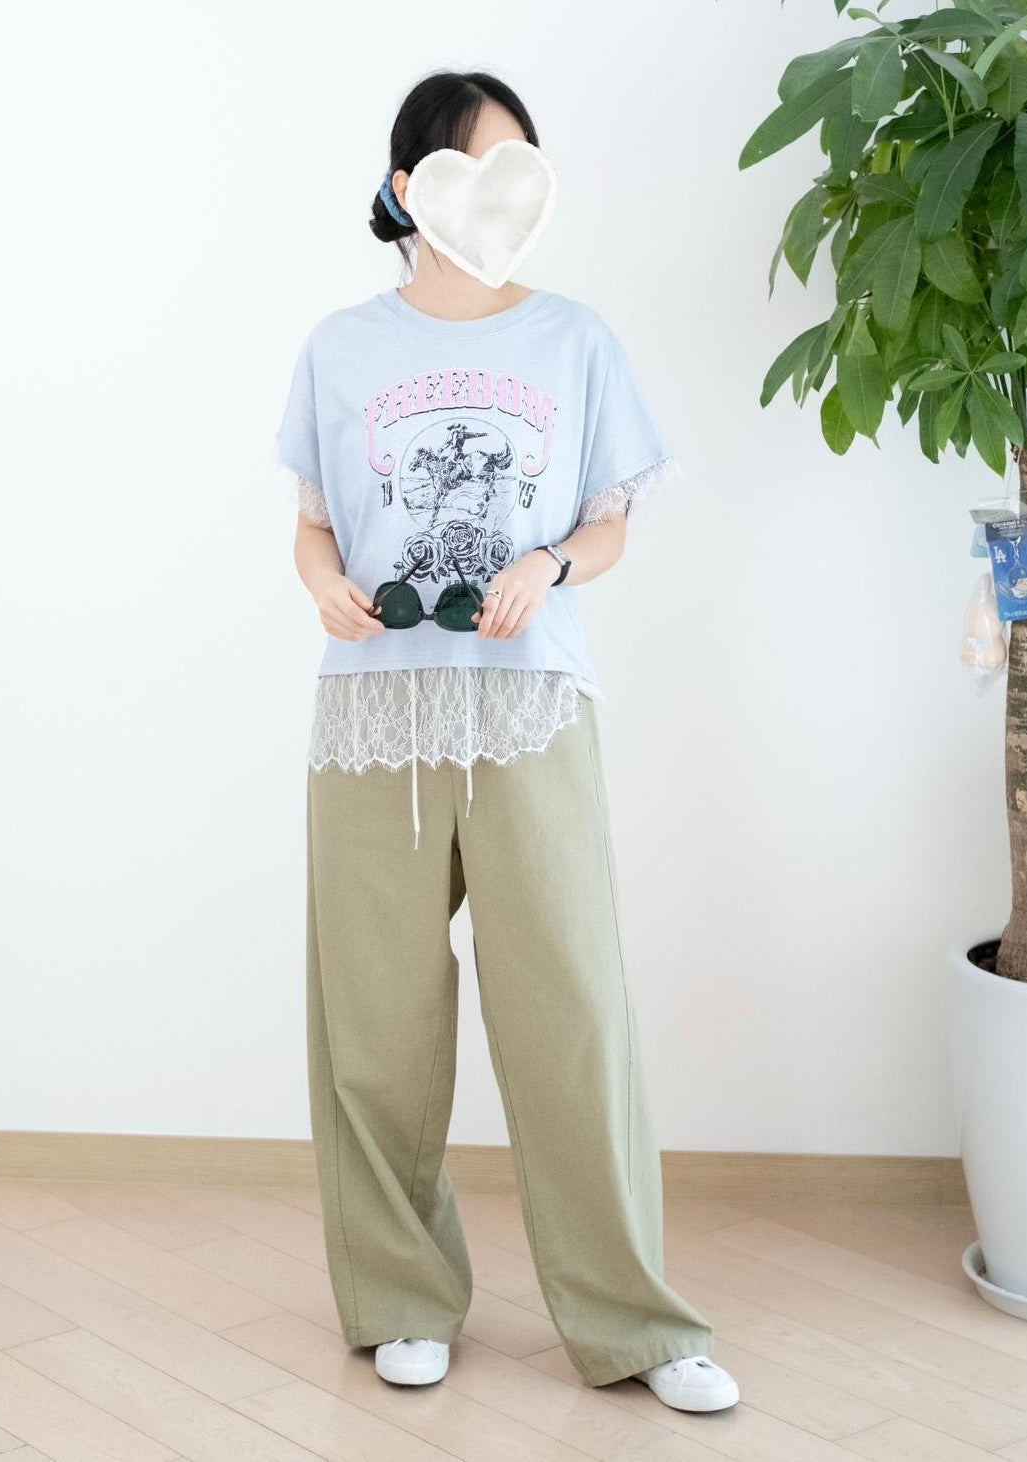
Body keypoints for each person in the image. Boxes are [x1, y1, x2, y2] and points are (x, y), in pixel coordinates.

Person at [275, 69, 739, 1414]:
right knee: (374, 1020)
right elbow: (312, 525)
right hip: (375, 714)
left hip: (528, 703)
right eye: (484, 166)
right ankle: (399, 1298)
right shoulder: (340, 348)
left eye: (524, 167)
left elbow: (611, 521)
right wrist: (322, 585)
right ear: (413, 186)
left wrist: (549, 563)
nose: (508, 193)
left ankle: (636, 1320)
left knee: (572, 1009)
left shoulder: (573, 339)